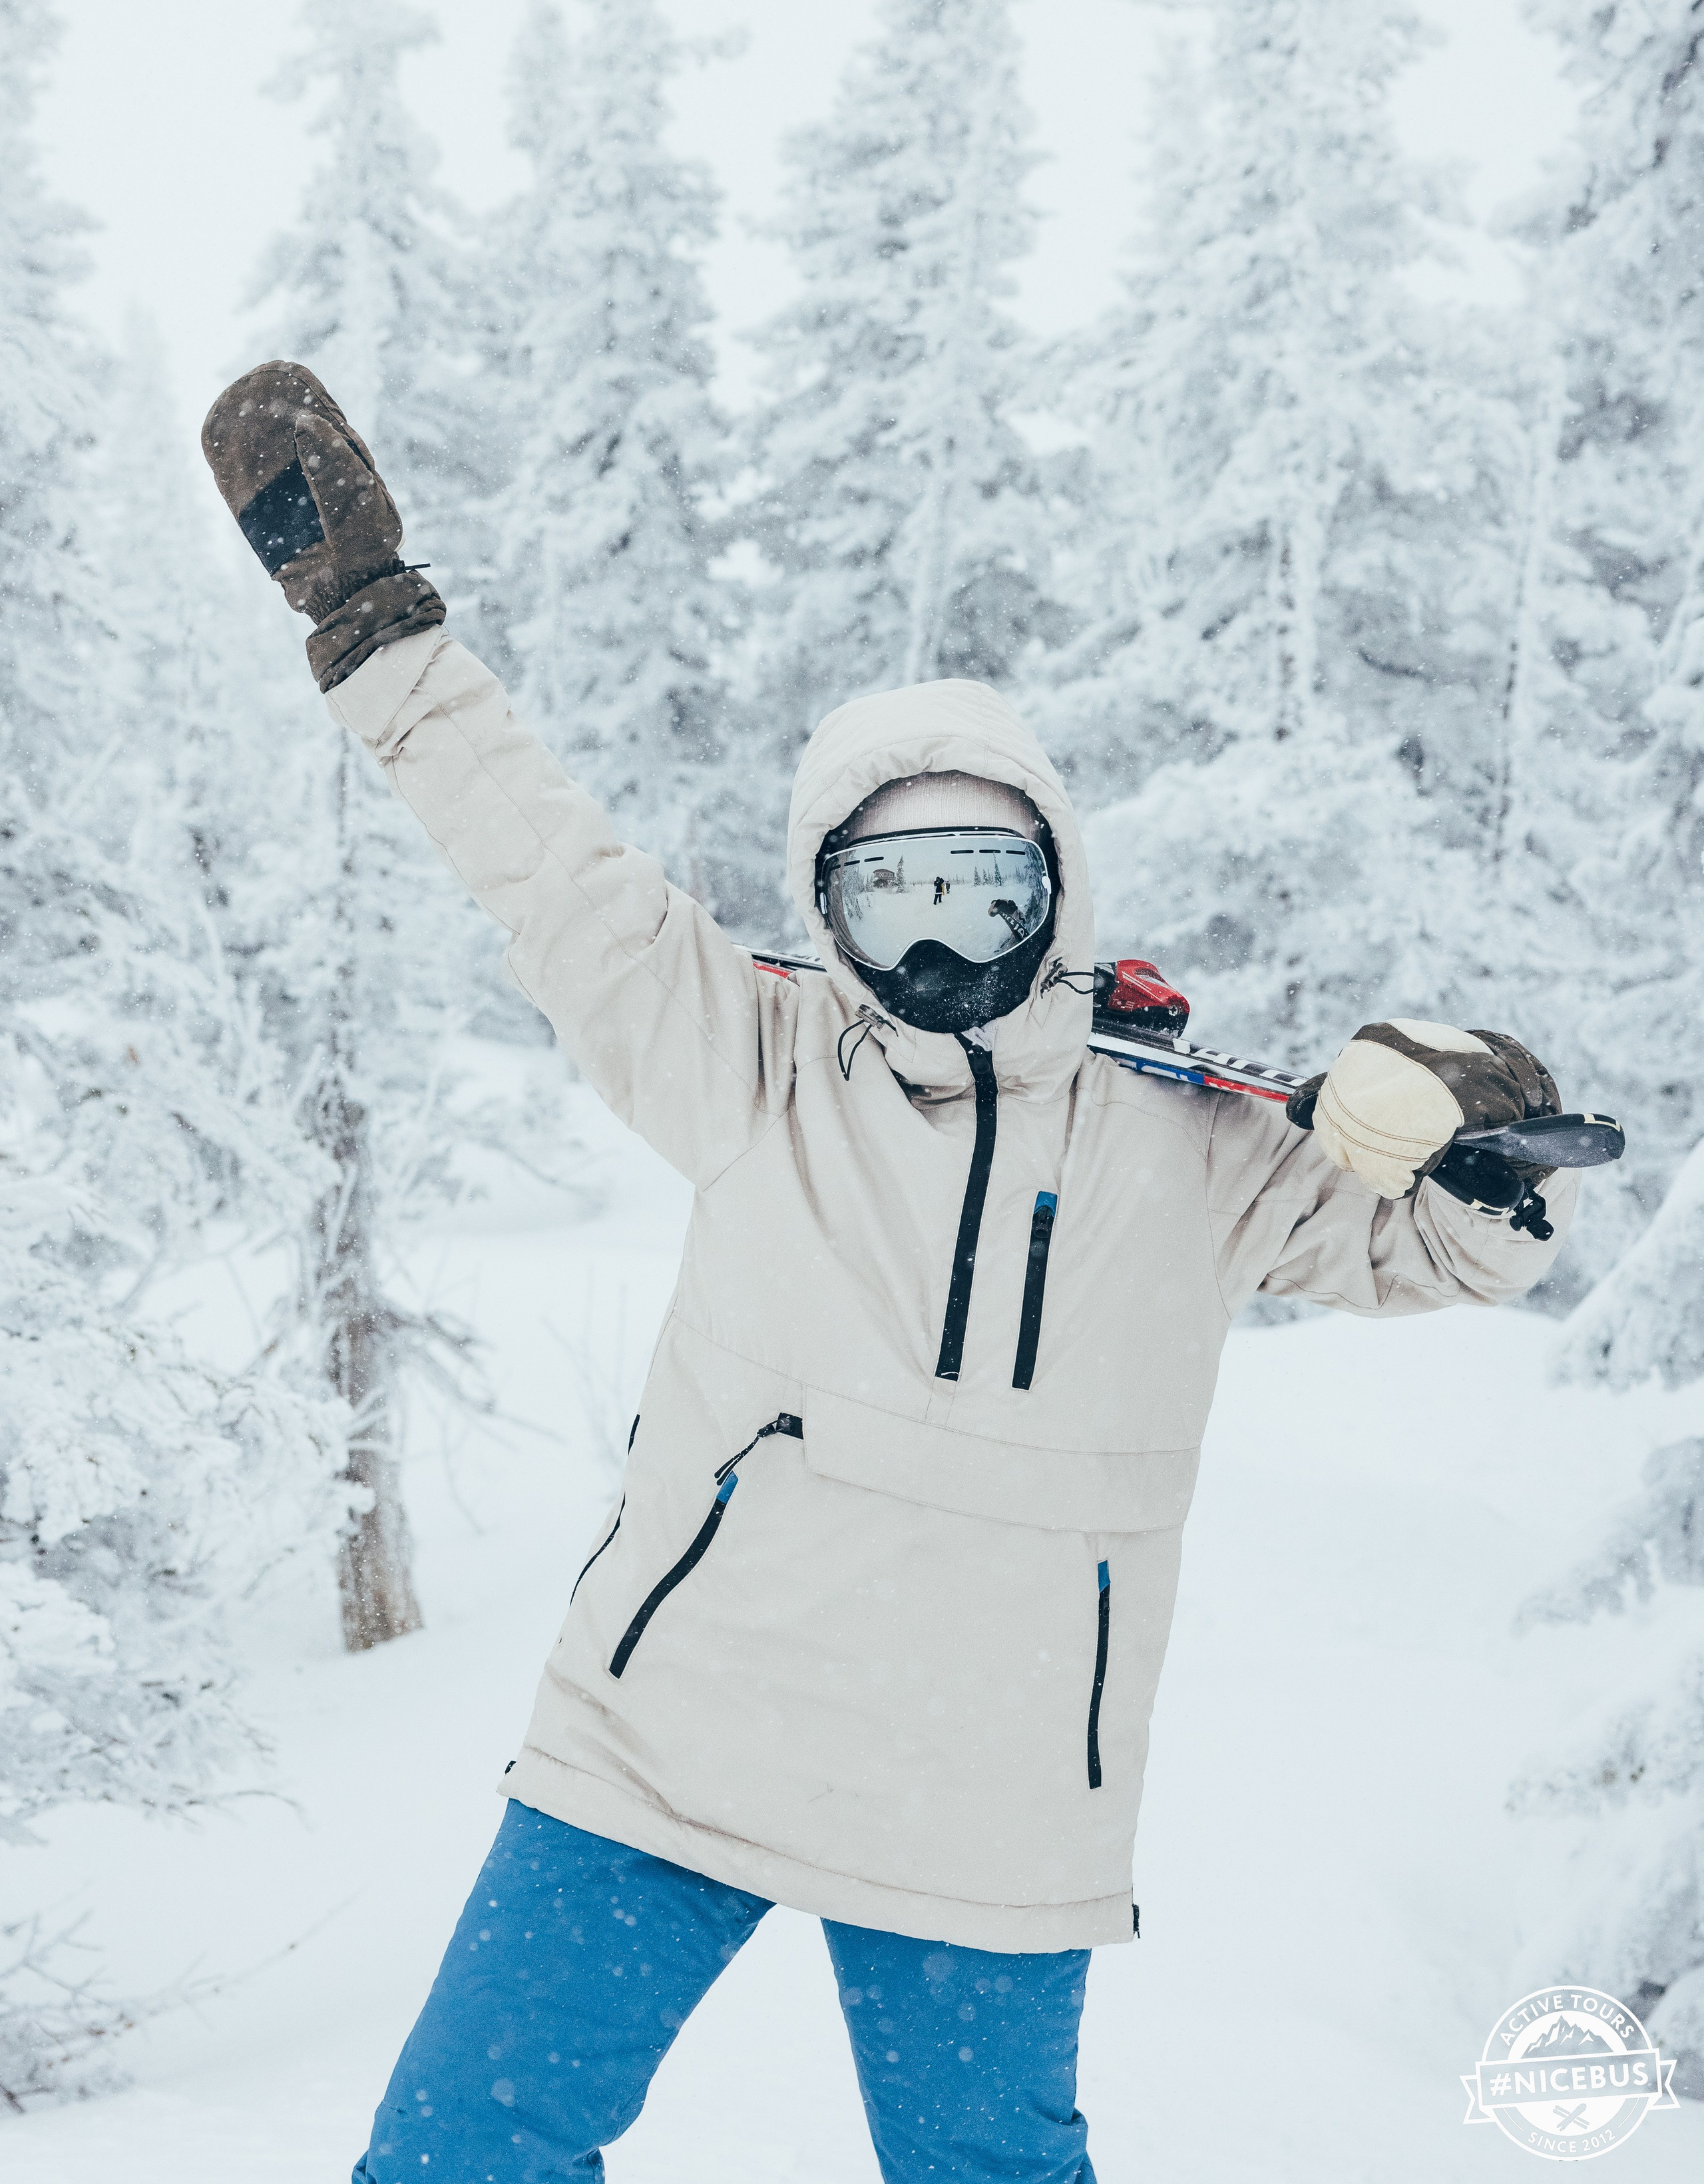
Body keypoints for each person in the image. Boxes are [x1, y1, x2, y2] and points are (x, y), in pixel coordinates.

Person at [202, 365, 1578, 2184]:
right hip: (673, 1742)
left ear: (1054, 897)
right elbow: (542, 862)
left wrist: (1488, 1140)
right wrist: (374, 625)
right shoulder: (744, 1057)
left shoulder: (1191, 1143)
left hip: (988, 1808)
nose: (938, 944)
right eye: (892, 894)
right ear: (827, 905)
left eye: (981, 892)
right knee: (461, 2147)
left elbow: (1436, 1246)